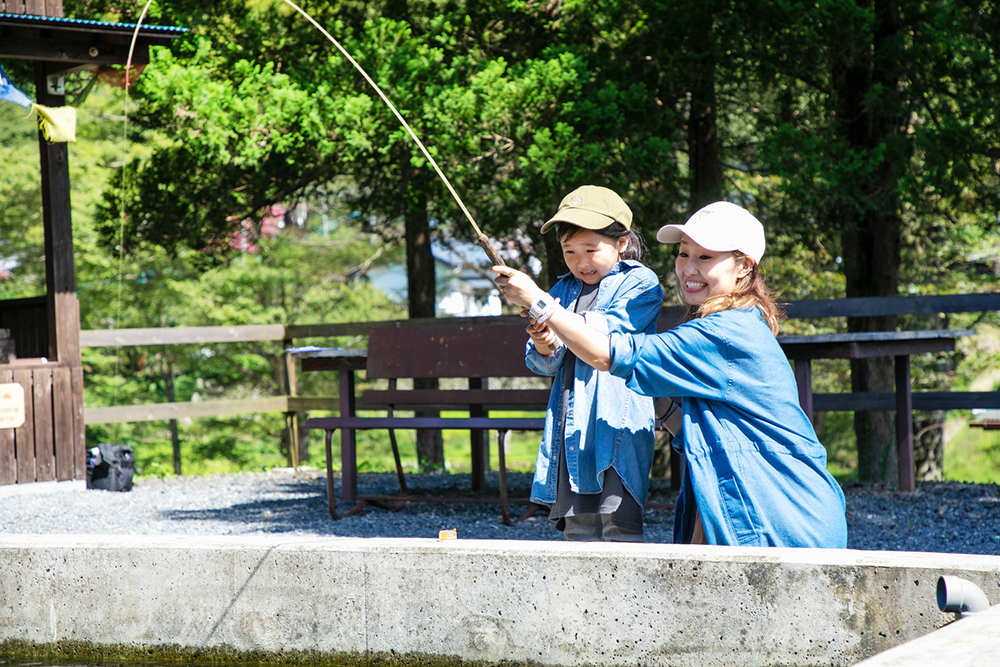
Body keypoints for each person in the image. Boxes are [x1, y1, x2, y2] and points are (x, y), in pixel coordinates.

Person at [495, 201, 848, 548]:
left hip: (781, 519)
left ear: (743, 266)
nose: (689, 269)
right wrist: (657, 404)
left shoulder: (723, 333)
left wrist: (538, 301)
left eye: (705, 257)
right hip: (772, 510)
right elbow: (704, 432)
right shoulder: (741, 321)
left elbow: (606, 353)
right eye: (683, 254)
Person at [508, 185, 664, 542]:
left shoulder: (640, 283)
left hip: (617, 423)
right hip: (571, 427)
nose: (581, 263)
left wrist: (548, 310)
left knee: (619, 526)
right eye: (570, 252)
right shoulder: (562, 290)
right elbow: (546, 364)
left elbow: (609, 333)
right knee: (578, 530)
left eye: (591, 250)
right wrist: (544, 342)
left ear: (621, 242)